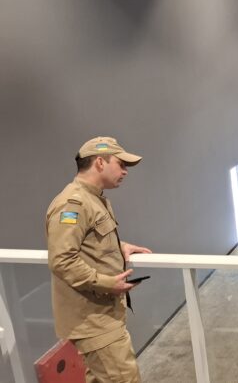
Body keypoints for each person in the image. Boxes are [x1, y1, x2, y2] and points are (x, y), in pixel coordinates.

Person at [46, 137, 152, 383]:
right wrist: (107, 283)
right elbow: (62, 259)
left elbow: (88, 243)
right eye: (121, 164)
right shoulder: (72, 204)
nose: (125, 171)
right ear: (100, 162)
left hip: (102, 314)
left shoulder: (92, 198)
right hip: (93, 318)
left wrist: (120, 247)